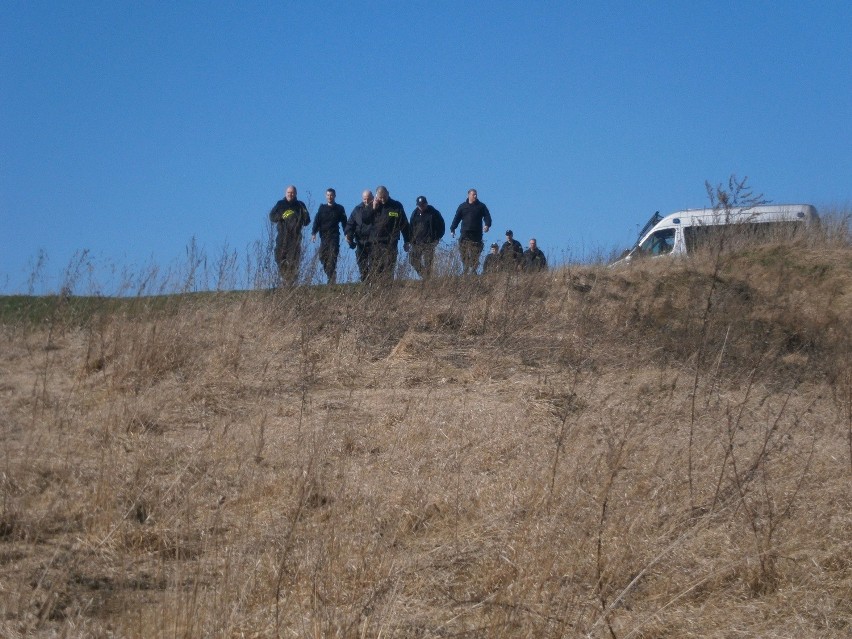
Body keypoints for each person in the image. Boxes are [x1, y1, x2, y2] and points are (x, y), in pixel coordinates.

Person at [345, 186, 410, 282]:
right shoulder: (372, 205)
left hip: (391, 242)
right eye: (380, 198)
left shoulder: (396, 206)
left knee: (389, 269)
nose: (383, 200)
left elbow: (404, 224)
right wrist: (373, 208)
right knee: (375, 270)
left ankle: (388, 292)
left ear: (388, 193)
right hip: (375, 243)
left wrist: (407, 241)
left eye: (384, 197)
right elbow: (365, 219)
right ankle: (375, 293)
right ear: (376, 196)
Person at [269, 185, 310, 285]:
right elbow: (271, 217)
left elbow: (307, 220)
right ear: (285, 193)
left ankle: (292, 280)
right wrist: (282, 216)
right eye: (288, 193)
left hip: (295, 237)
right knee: (279, 257)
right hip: (282, 236)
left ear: (295, 194)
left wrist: (298, 219)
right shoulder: (280, 204)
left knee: (294, 260)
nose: (290, 194)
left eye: (292, 193)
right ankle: (285, 278)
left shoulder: (300, 205)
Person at [450, 188, 492, 275]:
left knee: (475, 252)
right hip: (465, 233)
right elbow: (456, 218)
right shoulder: (462, 206)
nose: (475, 196)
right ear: (468, 195)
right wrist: (453, 228)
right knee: (463, 251)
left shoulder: (481, 206)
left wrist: (487, 225)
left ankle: (473, 270)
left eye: (476, 194)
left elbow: (487, 216)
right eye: (473, 195)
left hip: (476, 233)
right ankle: (465, 268)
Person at [311, 188, 347, 284]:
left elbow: (344, 222)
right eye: (328, 195)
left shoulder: (339, 208)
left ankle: (331, 279)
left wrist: (347, 234)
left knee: (332, 256)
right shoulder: (322, 208)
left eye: (331, 195)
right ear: (325, 196)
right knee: (322, 257)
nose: (329, 197)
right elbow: (317, 221)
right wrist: (314, 233)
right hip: (323, 237)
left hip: (334, 236)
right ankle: (331, 274)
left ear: (335, 196)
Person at [408, 195, 446, 279]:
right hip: (417, 242)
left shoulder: (434, 213)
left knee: (428, 262)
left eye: (423, 205)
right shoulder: (414, 214)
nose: (421, 207)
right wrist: (411, 240)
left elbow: (441, 226)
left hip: (430, 242)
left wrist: (437, 239)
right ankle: (423, 274)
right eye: (419, 205)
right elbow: (410, 227)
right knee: (413, 260)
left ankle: (428, 280)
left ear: (426, 204)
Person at [345, 190, 373, 281]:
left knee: (374, 265)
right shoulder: (357, 210)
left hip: (374, 242)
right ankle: (365, 283)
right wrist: (348, 235)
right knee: (362, 265)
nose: (366, 201)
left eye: (368, 199)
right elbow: (350, 224)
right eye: (364, 199)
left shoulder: (377, 208)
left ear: (372, 198)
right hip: (360, 242)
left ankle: (375, 284)